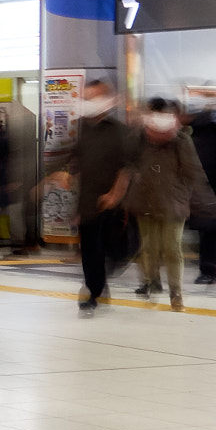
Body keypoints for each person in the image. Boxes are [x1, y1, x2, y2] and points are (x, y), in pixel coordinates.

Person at [54, 80, 136, 316]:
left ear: (107, 101)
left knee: (117, 250)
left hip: (116, 205)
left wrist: (114, 195)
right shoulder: (82, 128)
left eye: (93, 98)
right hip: (88, 202)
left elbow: (127, 168)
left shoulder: (120, 131)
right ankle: (92, 292)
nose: (88, 103)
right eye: (86, 98)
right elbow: (74, 157)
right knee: (90, 250)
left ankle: (100, 280)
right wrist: (67, 173)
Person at [125, 97, 213, 312]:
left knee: (172, 249)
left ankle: (176, 294)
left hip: (173, 203)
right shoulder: (138, 138)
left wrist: (204, 200)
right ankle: (151, 281)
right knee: (149, 248)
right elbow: (127, 167)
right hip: (144, 202)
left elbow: (194, 172)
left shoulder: (181, 140)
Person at [186, 104, 216, 285]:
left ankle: (208, 269)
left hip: (201, 189)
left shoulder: (194, 133)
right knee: (208, 229)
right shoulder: (215, 130)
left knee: (206, 229)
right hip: (208, 186)